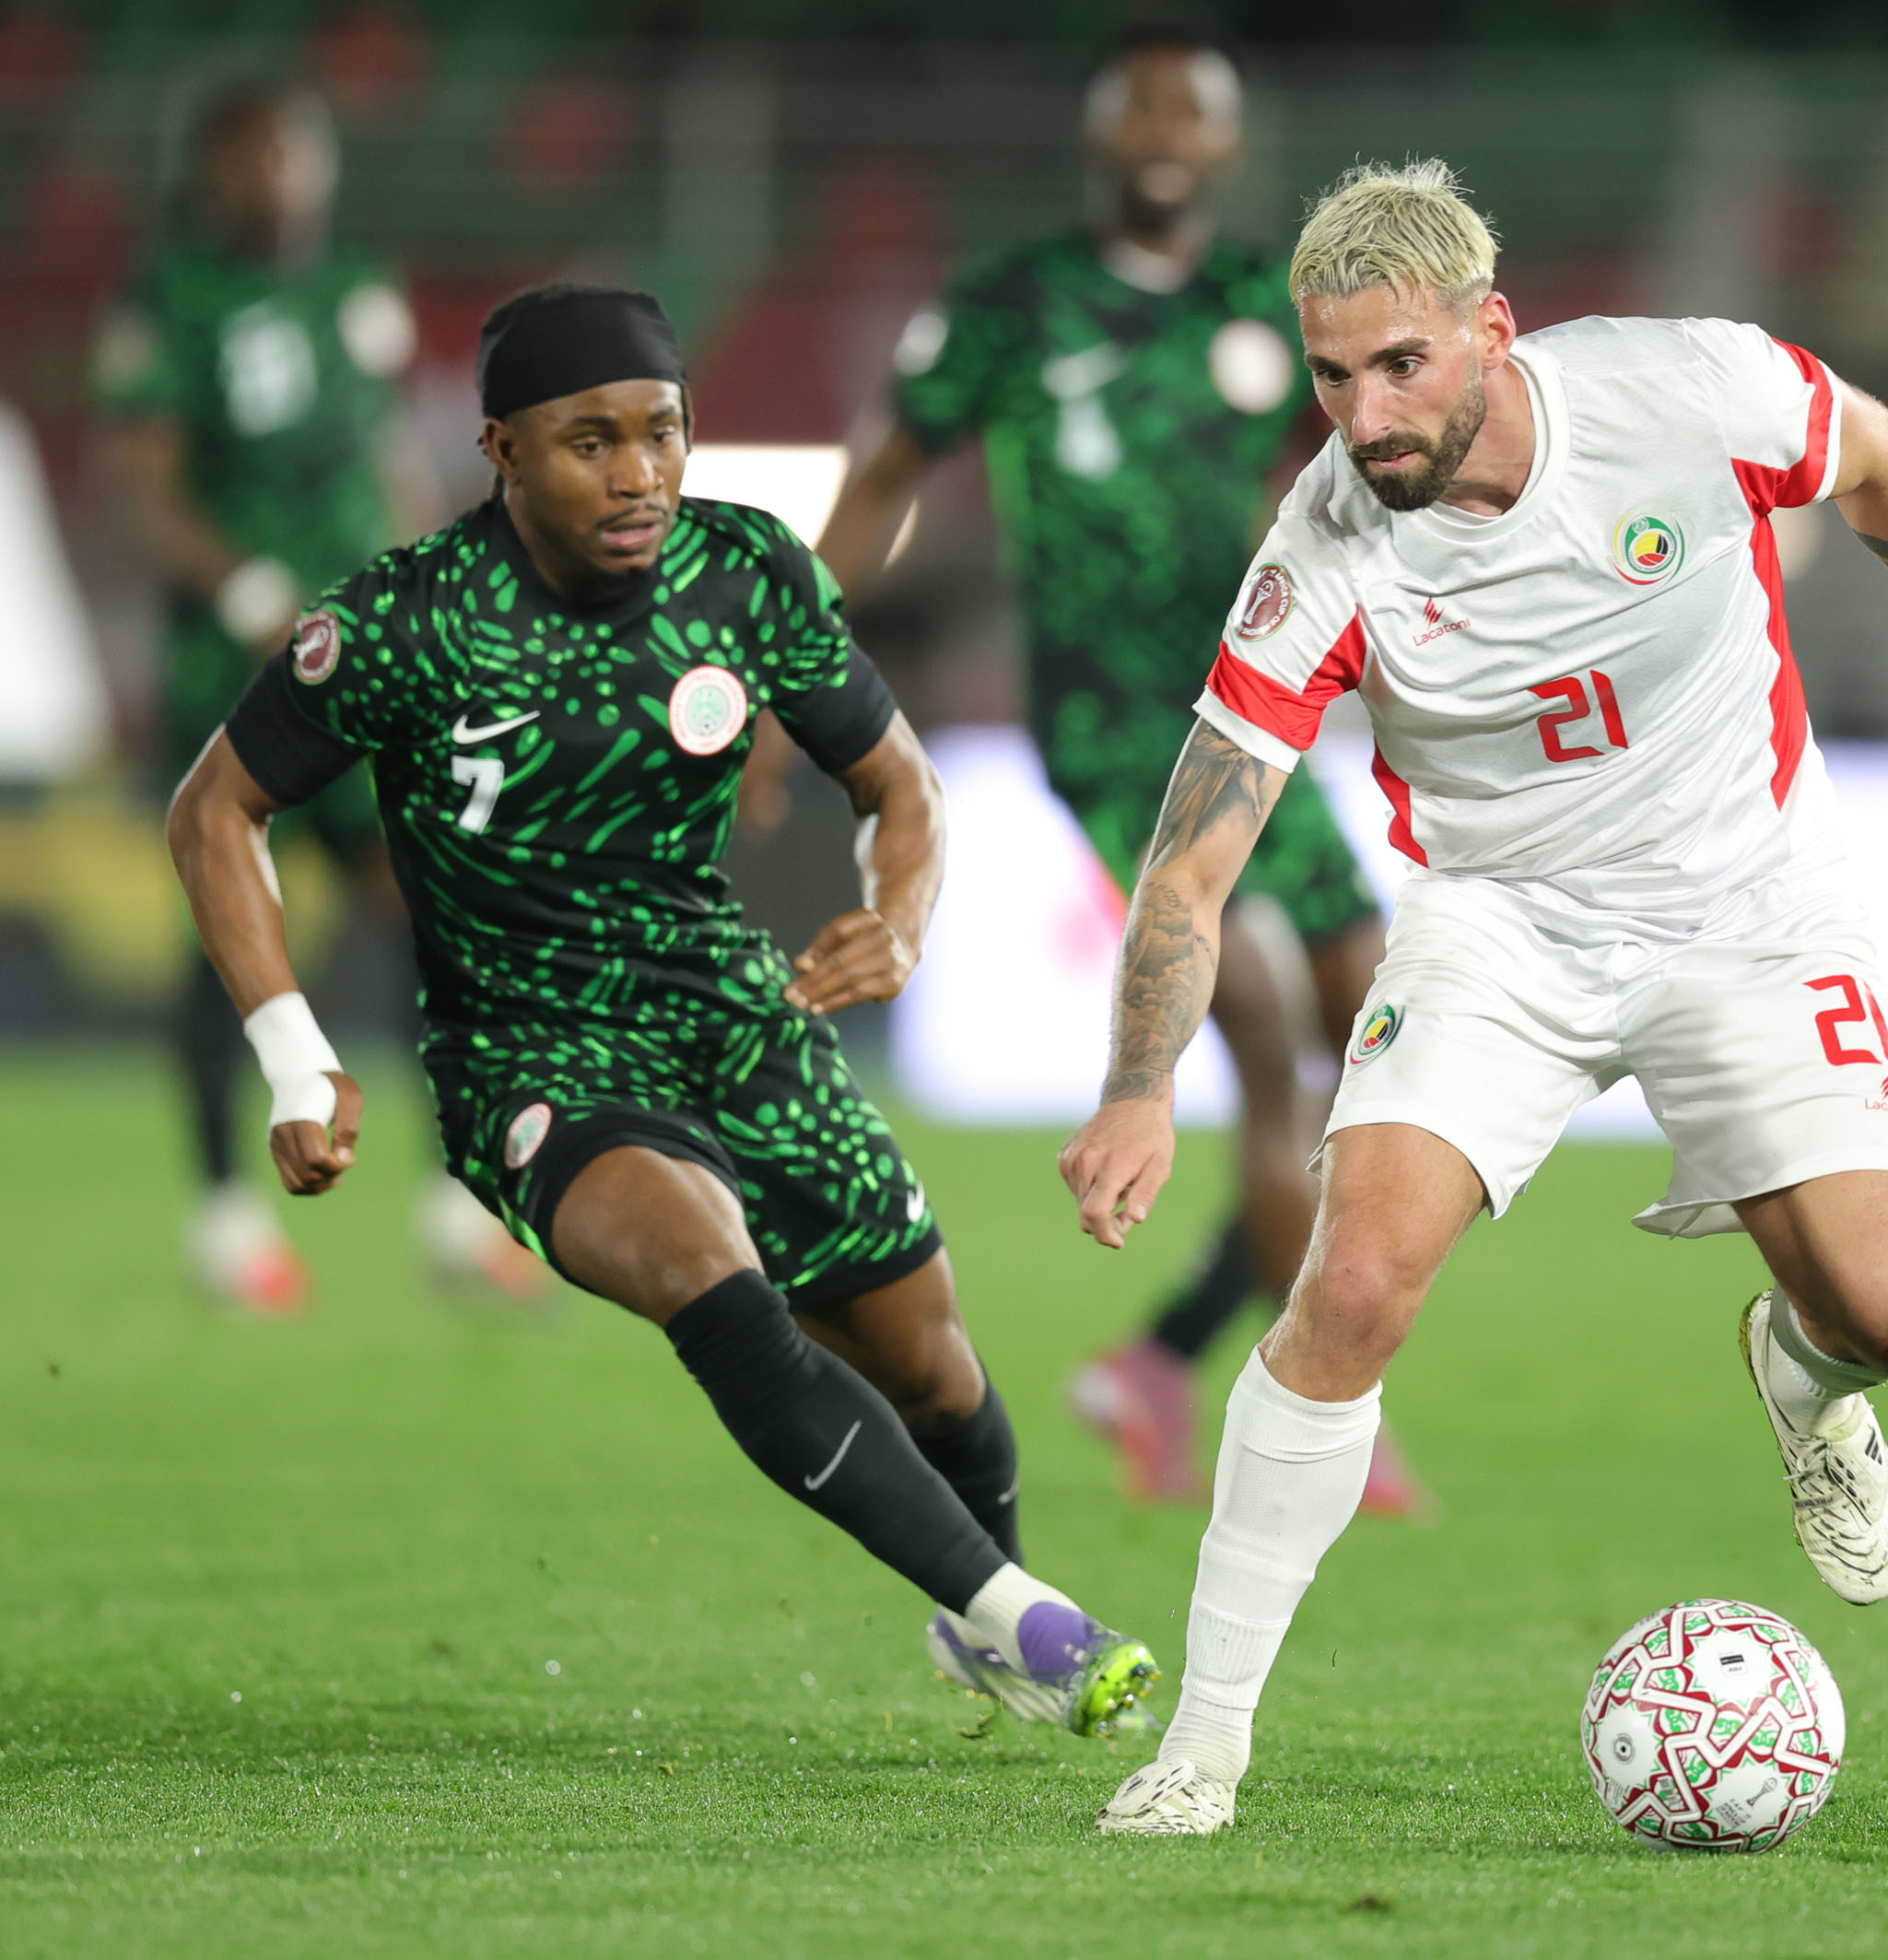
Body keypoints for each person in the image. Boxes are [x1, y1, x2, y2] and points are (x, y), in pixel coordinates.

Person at [1061, 160, 1888, 1835]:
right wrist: (1139, 1085)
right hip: (1500, 927)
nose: (1363, 416)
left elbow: (1877, 457)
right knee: (1350, 1283)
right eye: (1330, 375)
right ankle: (1201, 1750)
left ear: (1491, 332)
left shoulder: (1689, 390)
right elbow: (1189, 862)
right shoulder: (1326, 543)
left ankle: (1806, 1378)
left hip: (1752, 903)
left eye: (1400, 366)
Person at [165, 282, 1159, 1738]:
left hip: (733, 1018)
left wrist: (899, 917)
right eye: (591, 442)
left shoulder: (746, 572)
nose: (637, 473)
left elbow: (898, 781)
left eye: (662, 432)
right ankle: (1029, 1621)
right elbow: (214, 808)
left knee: (930, 1362)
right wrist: (295, 1056)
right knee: (709, 1270)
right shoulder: (406, 618)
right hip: (530, 1053)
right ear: (502, 449)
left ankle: (982, 1617)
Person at [814, 26, 1421, 1514]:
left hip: (1253, 705)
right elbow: (885, 476)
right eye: (1136, 106)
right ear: (1098, 134)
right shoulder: (1012, 306)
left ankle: (1163, 1359)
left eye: (1188, 111)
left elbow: (1361, 468)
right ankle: (1320, 1414)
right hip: (1107, 724)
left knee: (1386, 1041)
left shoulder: (1267, 306)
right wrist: (786, 667)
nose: (1161, 131)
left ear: (1225, 144)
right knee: (1263, 1033)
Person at [95, 79, 534, 1312]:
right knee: (233, 928)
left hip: (365, 654)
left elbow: (388, 455)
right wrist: (239, 583)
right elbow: (145, 485)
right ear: (211, 172)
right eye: (258, 157)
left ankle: (459, 1208)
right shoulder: (168, 302)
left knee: (431, 903)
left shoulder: (352, 288)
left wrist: (435, 583)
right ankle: (225, 1218)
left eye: (298, 154)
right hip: (236, 667)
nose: (283, 179)